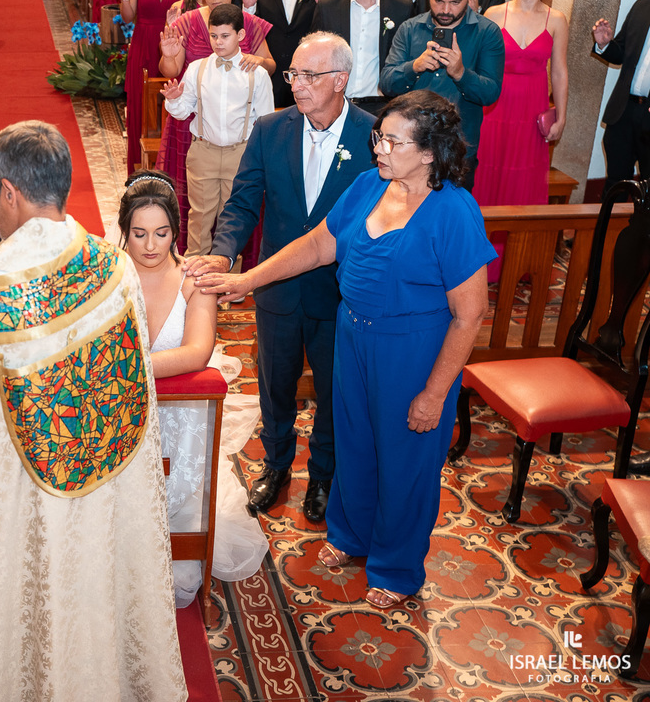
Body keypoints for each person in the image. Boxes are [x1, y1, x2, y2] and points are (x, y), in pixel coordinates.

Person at [0, 121, 186, 700]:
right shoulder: (111, 267)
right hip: (103, 488)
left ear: (9, 191)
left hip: (25, 505)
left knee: (27, 606)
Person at [194, 89, 494, 608]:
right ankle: (351, 535)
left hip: (412, 354)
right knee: (354, 442)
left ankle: (396, 569)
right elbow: (317, 245)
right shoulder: (368, 186)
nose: (377, 148)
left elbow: (470, 314)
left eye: (391, 141)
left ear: (428, 153)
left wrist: (435, 393)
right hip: (353, 335)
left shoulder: (454, 212)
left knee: (404, 460)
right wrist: (248, 280)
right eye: (379, 136)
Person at [186, 33, 375, 524]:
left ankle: (324, 475)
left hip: (341, 293)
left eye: (309, 76)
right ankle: (275, 466)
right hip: (277, 288)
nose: (296, 85)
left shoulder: (373, 137)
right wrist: (224, 255)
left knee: (336, 390)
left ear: (340, 80)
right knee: (274, 384)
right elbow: (245, 201)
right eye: (292, 74)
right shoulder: (270, 130)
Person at [116, 169, 216, 605]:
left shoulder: (195, 279)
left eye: (162, 233)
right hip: (120, 414)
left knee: (175, 505)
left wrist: (127, 368)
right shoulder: (107, 278)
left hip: (179, 417)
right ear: (124, 231)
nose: (152, 246)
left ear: (176, 231)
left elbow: (197, 352)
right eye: (139, 234)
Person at [158, 0, 274, 253]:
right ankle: (195, 276)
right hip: (204, 152)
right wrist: (173, 101)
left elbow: (265, 120)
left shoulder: (256, 73)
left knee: (232, 220)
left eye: (225, 36)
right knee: (198, 218)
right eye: (213, 36)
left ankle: (227, 279)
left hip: (240, 154)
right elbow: (184, 109)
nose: (218, 42)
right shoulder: (198, 68)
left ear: (241, 36)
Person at [476, 0, 569, 280]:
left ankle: (516, 263)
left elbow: (558, 72)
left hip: (532, 110)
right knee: (487, 176)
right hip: (494, 108)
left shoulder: (555, 19)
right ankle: (477, 262)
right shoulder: (494, 12)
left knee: (523, 180)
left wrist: (561, 116)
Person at [380, 0, 504, 190]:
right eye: (438, 0)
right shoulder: (410, 29)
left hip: (458, 152)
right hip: (409, 150)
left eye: (455, 2)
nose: (446, 10)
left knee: (449, 223)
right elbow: (387, 83)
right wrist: (414, 67)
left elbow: (491, 93)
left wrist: (461, 74)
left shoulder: (487, 32)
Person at [311, 0, 412, 118]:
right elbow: (314, 58)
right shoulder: (328, 7)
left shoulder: (401, 9)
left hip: (383, 106)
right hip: (336, 104)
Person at [119, 0, 185, 174]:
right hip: (143, 42)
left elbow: (187, 16)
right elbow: (127, 17)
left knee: (171, 102)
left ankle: (168, 164)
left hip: (171, 43)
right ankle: (138, 167)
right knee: (140, 105)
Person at [242, 0, 334, 108]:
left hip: (305, 79)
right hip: (267, 77)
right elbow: (247, 37)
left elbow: (323, 40)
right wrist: (249, 7)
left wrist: (325, 9)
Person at [591, 0, 650, 195]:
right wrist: (605, 44)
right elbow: (621, 52)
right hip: (624, 111)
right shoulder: (642, 6)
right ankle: (606, 226)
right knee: (616, 185)